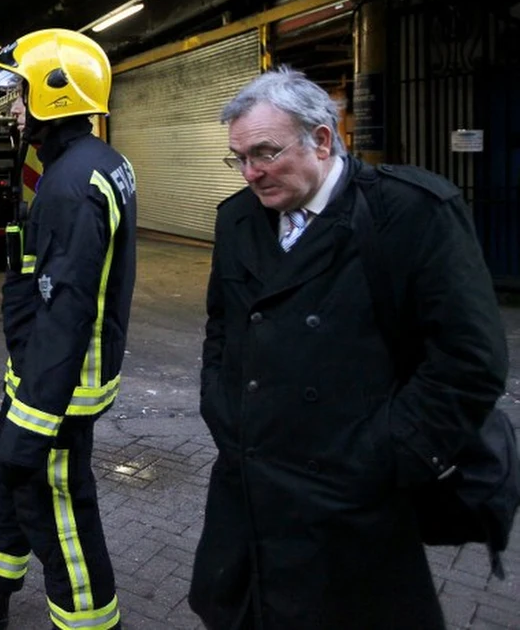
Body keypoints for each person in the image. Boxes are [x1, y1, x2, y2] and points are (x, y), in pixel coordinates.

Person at [189, 66, 509, 629]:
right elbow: (223, 325)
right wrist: (221, 405)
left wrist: (385, 456)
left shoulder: (410, 213)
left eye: (264, 152)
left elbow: (470, 362)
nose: (251, 172)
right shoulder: (238, 219)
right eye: (237, 158)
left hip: (351, 503)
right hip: (249, 491)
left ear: (321, 138)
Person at [0, 28, 137, 630]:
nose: (15, 107)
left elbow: (67, 311)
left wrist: (35, 416)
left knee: (57, 507)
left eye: (21, 95)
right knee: (5, 467)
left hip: (59, 386)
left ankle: (89, 621)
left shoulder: (72, 186)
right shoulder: (96, 164)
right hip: (48, 372)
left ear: (55, 94)